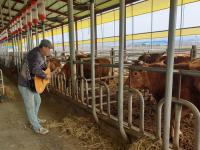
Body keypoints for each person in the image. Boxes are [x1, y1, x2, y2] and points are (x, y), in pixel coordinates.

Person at [18, 39, 52, 135]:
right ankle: (36, 127)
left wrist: (48, 70)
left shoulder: (39, 54)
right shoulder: (35, 54)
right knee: (30, 106)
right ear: (44, 47)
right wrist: (45, 76)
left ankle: (34, 119)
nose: (49, 51)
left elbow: (41, 67)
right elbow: (35, 69)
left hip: (32, 84)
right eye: (49, 49)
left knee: (38, 100)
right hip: (25, 84)